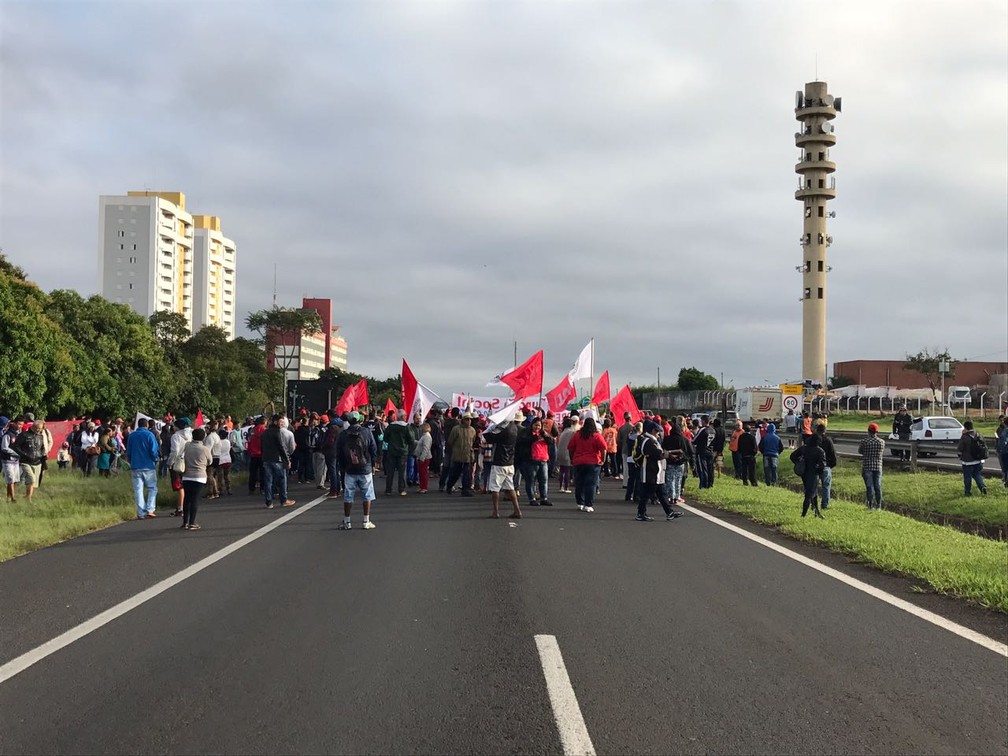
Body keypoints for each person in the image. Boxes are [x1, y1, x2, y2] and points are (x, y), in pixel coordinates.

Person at [335, 411, 378, 530]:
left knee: (348, 495)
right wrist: (373, 464)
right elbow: (373, 449)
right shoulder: (366, 432)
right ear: (360, 420)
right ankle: (366, 521)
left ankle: (347, 521)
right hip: (365, 468)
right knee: (367, 495)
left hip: (349, 469)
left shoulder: (343, 434)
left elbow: (339, 452)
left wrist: (343, 466)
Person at [635, 420, 682, 521]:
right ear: (652, 431)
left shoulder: (651, 440)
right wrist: (670, 454)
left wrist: (669, 455)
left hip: (656, 473)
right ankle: (641, 513)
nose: (658, 434)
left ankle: (669, 512)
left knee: (662, 494)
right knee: (646, 494)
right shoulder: (648, 441)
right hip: (651, 472)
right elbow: (658, 454)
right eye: (657, 431)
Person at [482, 416, 522, 519]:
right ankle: (517, 510)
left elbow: (489, 438)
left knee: (495, 488)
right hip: (510, 461)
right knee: (510, 487)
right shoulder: (514, 428)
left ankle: (495, 512)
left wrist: (490, 429)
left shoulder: (504, 430)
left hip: (499, 462)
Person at [567, 416, 607, 513]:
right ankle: (588, 505)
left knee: (579, 483)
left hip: (578, 461)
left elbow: (570, 447)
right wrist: (603, 460)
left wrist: (572, 459)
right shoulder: (596, 436)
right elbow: (603, 448)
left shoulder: (577, 435)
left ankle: (580, 503)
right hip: (593, 462)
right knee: (590, 484)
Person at [179, 427, 213, 530]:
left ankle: (185, 522)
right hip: (199, 477)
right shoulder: (205, 449)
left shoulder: (187, 446)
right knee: (195, 499)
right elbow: (210, 461)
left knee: (187, 499)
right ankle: (192, 522)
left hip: (186, 475)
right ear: (203, 437)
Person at [125, 417, 160, 519]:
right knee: (152, 488)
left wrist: (130, 460)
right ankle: (150, 509)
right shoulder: (149, 435)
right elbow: (154, 450)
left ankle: (141, 512)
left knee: (138, 490)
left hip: (135, 465)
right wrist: (155, 459)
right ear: (147, 425)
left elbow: (128, 451)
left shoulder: (132, 435)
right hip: (148, 465)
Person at [261, 414, 296, 509]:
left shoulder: (265, 432)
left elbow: (262, 446)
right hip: (277, 459)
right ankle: (283, 500)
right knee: (282, 479)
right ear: (275, 422)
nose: (282, 424)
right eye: (281, 422)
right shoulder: (277, 432)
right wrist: (287, 460)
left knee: (268, 481)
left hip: (266, 459)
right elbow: (281, 447)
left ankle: (269, 502)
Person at [790, 434, 826, 518]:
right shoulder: (820, 451)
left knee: (813, 492)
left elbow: (792, 456)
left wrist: (798, 462)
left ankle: (817, 512)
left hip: (804, 473)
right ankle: (803, 515)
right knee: (809, 495)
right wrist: (819, 470)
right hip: (814, 474)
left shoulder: (804, 448)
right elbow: (822, 464)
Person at [13, 419, 47, 503]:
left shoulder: (41, 436)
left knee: (35, 484)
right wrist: (24, 454)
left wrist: (42, 454)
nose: (39, 430)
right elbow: (16, 446)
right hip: (25, 462)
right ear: (33, 426)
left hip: (37, 462)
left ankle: (28, 497)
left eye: (41, 428)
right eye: (38, 428)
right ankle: (29, 499)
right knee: (31, 479)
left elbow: (42, 447)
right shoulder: (23, 435)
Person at [445, 413, 477, 496]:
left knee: (467, 474)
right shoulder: (456, 429)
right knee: (455, 473)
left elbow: (473, 441)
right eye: (467, 419)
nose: (469, 421)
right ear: (463, 420)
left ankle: (466, 489)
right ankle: (449, 486)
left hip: (468, 455)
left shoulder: (472, 430)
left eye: (470, 419)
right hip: (457, 455)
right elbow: (450, 441)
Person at [661, 417, 692, 504]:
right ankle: (677, 496)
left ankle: (671, 496)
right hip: (680, 462)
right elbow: (689, 451)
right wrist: (691, 462)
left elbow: (663, 449)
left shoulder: (667, 439)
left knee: (670, 479)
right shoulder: (684, 439)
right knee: (678, 480)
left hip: (670, 462)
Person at [383, 410, 412, 497]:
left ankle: (388, 489)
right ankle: (401, 489)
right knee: (402, 471)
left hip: (392, 450)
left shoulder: (391, 426)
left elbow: (385, 438)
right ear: (402, 417)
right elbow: (411, 439)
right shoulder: (406, 427)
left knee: (390, 471)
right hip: (402, 451)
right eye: (405, 416)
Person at [167, 417, 192, 516]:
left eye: (174, 426)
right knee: (186, 485)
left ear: (177, 427)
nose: (173, 427)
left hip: (177, 463)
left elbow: (175, 451)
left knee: (179, 486)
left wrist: (170, 462)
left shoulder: (176, 436)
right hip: (187, 462)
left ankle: (180, 509)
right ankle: (186, 507)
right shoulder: (189, 435)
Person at [956, 420, 988, 496]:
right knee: (977, 475)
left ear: (965, 428)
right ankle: (982, 487)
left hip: (967, 462)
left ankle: (967, 492)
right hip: (978, 460)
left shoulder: (964, 437)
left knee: (967, 477)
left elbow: (960, 448)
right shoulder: (979, 435)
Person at [857, 423, 885, 510]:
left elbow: (860, 451)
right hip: (878, 466)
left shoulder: (864, 441)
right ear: (877, 431)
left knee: (869, 486)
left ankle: (870, 505)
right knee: (878, 486)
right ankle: (879, 505)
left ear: (868, 431)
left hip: (867, 466)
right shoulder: (881, 442)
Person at [815, 422, 837, 509]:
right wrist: (830, 465)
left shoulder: (813, 440)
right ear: (825, 431)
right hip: (826, 466)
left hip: (814, 466)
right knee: (826, 486)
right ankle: (824, 505)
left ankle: (813, 504)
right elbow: (833, 454)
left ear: (817, 430)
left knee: (813, 486)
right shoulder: (828, 440)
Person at [1, 416, 22, 501]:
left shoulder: (18, 434)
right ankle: (13, 498)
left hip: (15, 461)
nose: (20, 426)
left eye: (22, 424)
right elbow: (4, 447)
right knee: (10, 479)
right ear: (14, 423)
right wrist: (16, 453)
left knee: (15, 480)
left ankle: (8, 497)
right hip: (7, 460)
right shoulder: (8, 434)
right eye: (19, 424)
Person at [556, 416, 577, 494]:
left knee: (562, 470)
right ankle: (566, 487)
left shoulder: (563, 432)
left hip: (560, 452)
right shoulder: (572, 432)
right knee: (567, 470)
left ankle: (561, 487)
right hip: (567, 452)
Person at [736, 423, 758, 487]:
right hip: (751, 455)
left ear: (744, 430)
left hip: (743, 455)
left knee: (744, 469)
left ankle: (745, 481)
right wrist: (754, 454)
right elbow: (755, 447)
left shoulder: (741, 436)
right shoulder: (752, 437)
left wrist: (740, 452)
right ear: (750, 430)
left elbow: (739, 446)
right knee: (752, 470)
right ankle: (753, 482)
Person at [414, 422, 433, 493]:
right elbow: (421, 443)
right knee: (421, 473)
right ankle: (422, 486)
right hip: (421, 456)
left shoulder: (426, 436)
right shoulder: (424, 436)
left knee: (423, 473)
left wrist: (422, 457)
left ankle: (424, 487)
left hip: (424, 457)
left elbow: (426, 448)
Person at [996, 415, 1008, 488]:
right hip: (1002, 451)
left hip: (1004, 451)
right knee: (1004, 468)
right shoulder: (999, 429)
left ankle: (1006, 482)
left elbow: (1003, 441)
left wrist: (1001, 449)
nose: (1002, 422)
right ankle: (1005, 481)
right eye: (1001, 420)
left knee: (1005, 468)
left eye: (1003, 420)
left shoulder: (1005, 431)